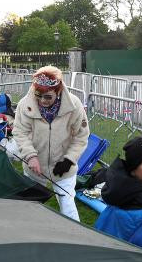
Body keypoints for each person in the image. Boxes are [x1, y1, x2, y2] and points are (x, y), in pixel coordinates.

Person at [13, 66, 89, 221]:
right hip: (34, 167)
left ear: (59, 90)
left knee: (68, 206)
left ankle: (75, 239)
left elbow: (81, 136)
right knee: (30, 206)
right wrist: (30, 156)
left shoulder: (74, 105)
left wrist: (69, 160)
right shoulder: (24, 104)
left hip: (63, 166)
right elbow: (20, 132)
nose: (42, 100)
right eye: (38, 95)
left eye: (48, 97)